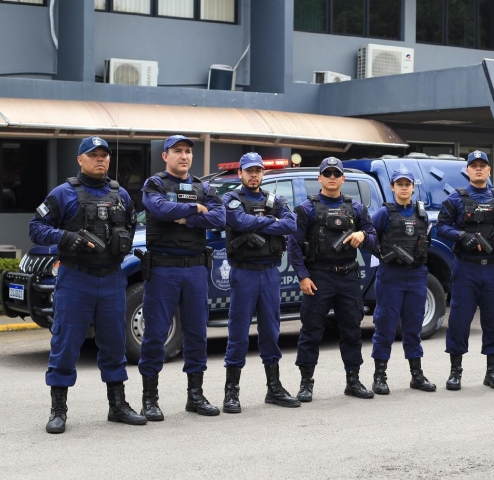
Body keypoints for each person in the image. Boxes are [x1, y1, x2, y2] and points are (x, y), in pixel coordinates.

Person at [30, 136, 146, 433]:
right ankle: (58, 410)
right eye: (93, 154)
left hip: (111, 278)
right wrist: (66, 238)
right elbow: (36, 228)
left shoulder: (121, 196)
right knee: (66, 344)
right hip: (75, 279)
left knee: (114, 344)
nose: (100, 159)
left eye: (104, 155)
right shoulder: (63, 194)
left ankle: (117, 405)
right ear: (80, 159)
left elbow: (132, 226)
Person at [138, 135, 225, 419]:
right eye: (178, 151)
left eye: (188, 151)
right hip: (164, 269)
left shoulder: (203, 187)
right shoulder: (155, 184)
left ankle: (195, 397)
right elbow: (159, 209)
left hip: (196, 270)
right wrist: (196, 208)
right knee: (155, 335)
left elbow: (219, 218)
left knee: (198, 333)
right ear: (165, 156)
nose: (184, 156)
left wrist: (185, 218)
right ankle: (150, 399)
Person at [287, 157, 378, 401]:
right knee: (312, 330)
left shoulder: (357, 208)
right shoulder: (306, 208)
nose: (331, 177)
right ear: (319, 178)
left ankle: (353, 381)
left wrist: (361, 234)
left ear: (342, 179)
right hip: (318, 276)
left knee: (351, 330)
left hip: (348, 275)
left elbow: (373, 238)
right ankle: (306, 383)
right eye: (327, 173)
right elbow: (294, 246)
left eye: (336, 174)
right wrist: (303, 277)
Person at [436, 150, 494, 391]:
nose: (478, 169)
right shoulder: (456, 199)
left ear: (489, 170)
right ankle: (455, 372)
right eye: (474, 165)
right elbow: (440, 227)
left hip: (493, 270)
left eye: (482, 165)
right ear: (468, 170)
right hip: (466, 269)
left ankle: (492, 372)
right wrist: (461, 235)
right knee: (460, 321)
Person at [221, 152, 301, 412]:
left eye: (258, 170)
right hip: (243, 272)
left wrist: (258, 225)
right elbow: (237, 220)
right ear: (241, 173)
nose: (254, 175)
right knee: (238, 334)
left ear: (262, 173)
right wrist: (270, 221)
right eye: (249, 171)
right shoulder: (231, 198)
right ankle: (231, 393)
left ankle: (274, 388)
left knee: (270, 331)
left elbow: (291, 224)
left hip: (269, 272)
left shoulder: (275, 199)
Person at [369, 169, 436, 395]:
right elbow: (368, 236)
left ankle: (416, 375)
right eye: (400, 183)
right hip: (391, 276)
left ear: (413, 187)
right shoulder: (384, 213)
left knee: (413, 327)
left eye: (408, 183)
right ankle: (380, 376)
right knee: (385, 327)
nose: (404, 187)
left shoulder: (421, 213)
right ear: (392, 187)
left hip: (416, 276)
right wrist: (382, 253)